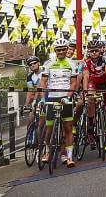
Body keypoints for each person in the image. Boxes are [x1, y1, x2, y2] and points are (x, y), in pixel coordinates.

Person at [38, 38, 78, 167]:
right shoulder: (49, 64)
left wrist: (69, 96)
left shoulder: (72, 64)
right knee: (49, 128)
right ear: (55, 50)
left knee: (68, 128)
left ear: (67, 50)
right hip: (52, 98)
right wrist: (43, 99)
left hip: (65, 98)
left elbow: (73, 83)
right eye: (58, 50)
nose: (60, 52)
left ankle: (69, 156)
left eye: (63, 49)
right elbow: (43, 82)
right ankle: (47, 151)